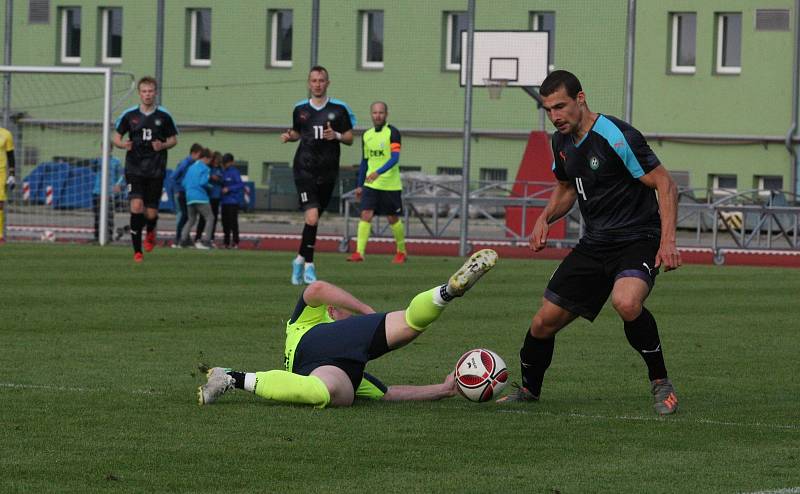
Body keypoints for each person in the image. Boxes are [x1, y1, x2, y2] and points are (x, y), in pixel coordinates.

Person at [496, 70, 682, 416]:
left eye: (561, 106)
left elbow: (666, 184)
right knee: (542, 322)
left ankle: (661, 383)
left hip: (637, 237)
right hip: (595, 243)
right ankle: (529, 390)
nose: (555, 116)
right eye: (548, 109)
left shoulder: (615, 136)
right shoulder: (561, 142)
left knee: (626, 302)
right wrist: (544, 217)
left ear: (581, 99)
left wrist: (667, 241)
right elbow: (566, 187)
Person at [198, 249, 498, 407]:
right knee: (408, 324)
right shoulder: (307, 321)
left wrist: (444, 389)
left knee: (337, 394)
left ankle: (230, 378)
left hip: (321, 372)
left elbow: (389, 394)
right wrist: (365, 311)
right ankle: (445, 292)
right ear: (332, 311)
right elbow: (316, 288)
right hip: (310, 347)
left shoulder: (351, 362)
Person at [280, 65, 355, 285]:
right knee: (311, 217)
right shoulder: (300, 109)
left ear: (327, 83)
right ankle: (309, 266)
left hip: (328, 170)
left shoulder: (339, 109)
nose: (317, 84)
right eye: (313, 80)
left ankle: (299, 258)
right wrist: (289, 136)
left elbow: (350, 137)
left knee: (313, 220)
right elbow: (297, 131)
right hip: (304, 168)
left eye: (321, 80)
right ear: (308, 83)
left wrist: (337, 135)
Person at [113, 76, 179, 263]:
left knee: (151, 213)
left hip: (156, 169)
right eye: (144, 91)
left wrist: (163, 145)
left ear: (155, 93)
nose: (147, 94)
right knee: (136, 206)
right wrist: (122, 145)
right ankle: (137, 251)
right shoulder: (129, 115)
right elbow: (116, 137)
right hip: (134, 168)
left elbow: (174, 140)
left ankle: (150, 231)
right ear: (139, 93)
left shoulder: (164, 116)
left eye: (150, 91)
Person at [347, 101, 407, 264]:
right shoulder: (367, 135)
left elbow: (395, 158)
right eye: (375, 113)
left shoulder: (392, 133)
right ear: (371, 114)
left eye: (381, 113)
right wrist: (360, 184)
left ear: (386, 114)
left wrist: (378, 173)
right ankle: (359, 252)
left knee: (392, 218)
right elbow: (365, 161)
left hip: (390, 185)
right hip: (370, 184)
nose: (378, 115)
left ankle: (401, 252)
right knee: (365, 214)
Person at [170, 143, 203, 248]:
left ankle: (185, 239)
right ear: (193, 153)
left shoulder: (192, 164)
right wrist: (178, 190)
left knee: (188, 217)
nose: (200, 158)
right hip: (182, 193)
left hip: (187, 193)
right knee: (184, 216)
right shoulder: (185, 163)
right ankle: (178, 239)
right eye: (199, 155)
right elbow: (173, 176)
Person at [179, 148, 214, 249]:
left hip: (189, 196)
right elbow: (203, 182)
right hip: (200, 197)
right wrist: (211, 187)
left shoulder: (191, 167)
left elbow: (184, 183)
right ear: (206, 158)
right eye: (210, 160)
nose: (210, 162)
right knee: (210, 218)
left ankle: (183, 240)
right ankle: (206, 241)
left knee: (191, 219)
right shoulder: (205, 168)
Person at [91, 151, 124, 243]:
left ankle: (109, 236)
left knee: (109, 216)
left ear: (111, 149)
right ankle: (97, 237)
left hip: (109, 193)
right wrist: (95, 161)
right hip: (97, 191)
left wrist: (118, 184)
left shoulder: (116, 161)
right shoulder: (98, 160)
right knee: (97, 216)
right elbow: (92, 168)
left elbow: (121, 175)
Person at [196, 151, 223, 244]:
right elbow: (203, 179)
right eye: (215, 159)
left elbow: (224, 180)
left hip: (216, 196)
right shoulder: (208, 168)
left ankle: (210, 238)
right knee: (203, 218)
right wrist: (211, 177)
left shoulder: (220, 169)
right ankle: (198, 237)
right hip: (207, 196)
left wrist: (219, 179)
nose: (217, 161)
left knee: (213, 218)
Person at [220, 153, 244, 249]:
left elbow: (240, 185)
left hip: (233, 202)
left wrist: (229, 189)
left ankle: (235, 242)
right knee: (225, 223)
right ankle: (226, 242)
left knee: (233, 223)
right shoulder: (222, 171)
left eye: (227, 163)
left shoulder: (235, 172)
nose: (225, 165)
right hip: (224, 202)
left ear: (231, 162)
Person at [0, 127, 16, 243]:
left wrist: (12, 174)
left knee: (0, 202)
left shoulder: (6, 134)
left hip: (1, 172)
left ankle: (0, 235)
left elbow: (10, 155)